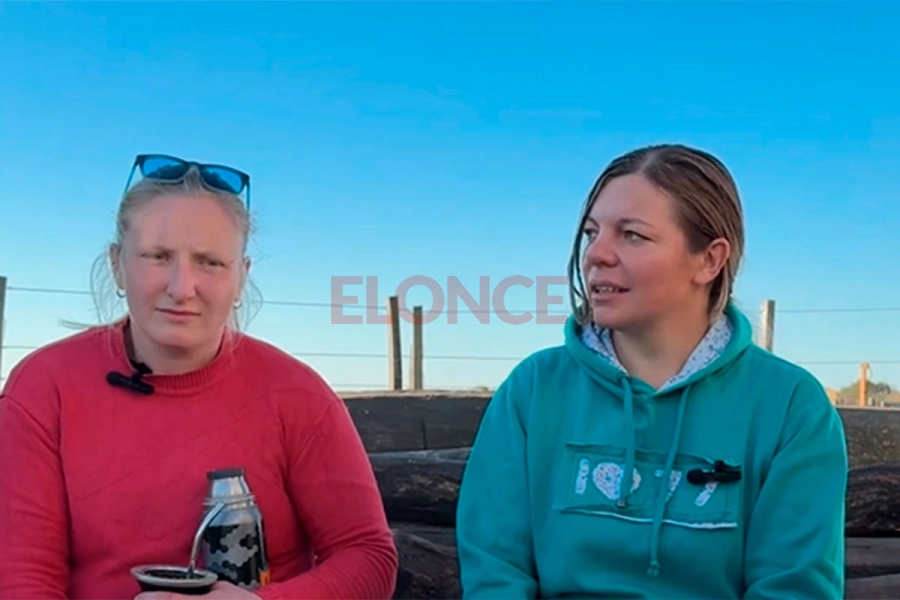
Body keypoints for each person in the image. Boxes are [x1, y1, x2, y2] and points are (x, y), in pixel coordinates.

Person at [455, 143, 848, 599]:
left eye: (632, 235)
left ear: (709, 260)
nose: (596, 255)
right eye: (590, 233)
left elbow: (794, 588)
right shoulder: (534, 389)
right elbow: (494, 571)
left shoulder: (791, 406)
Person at [0, 154, 399, 599]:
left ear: (241, 276)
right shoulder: (44, 386)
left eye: (209, 262)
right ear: (117, 263)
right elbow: (23, 577)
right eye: (158, 256)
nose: (181, 287)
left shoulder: (297, 395)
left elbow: (368, 557)